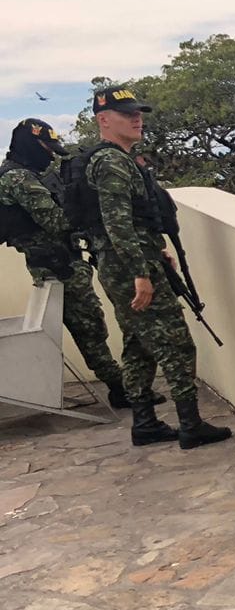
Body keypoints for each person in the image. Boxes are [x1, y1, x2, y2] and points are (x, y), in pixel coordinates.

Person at [83, 86, 230, 447]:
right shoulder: (111, 162)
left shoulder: (118, 159)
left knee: (138, 344)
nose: (137, 119)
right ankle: (191, 425)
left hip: (127, 262)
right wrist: (140, 273)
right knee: (176, 343)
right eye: (127, 114)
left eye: (138, 113)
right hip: (129, 268)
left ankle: (145, 423)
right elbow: (116, 223)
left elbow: (134, 219)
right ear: (103, 120)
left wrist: (155, 250)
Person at [0, 119, 130, 405]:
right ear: (31, 144)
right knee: (89, 326)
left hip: (61, 261)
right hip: (57, 266)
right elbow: (56, 221)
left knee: (90, 323)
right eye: (47, 148)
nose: (50, 155)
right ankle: (118, 387)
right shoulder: (18, 178)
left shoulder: (28, 174)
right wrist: (84, 204)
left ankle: (119, 385)